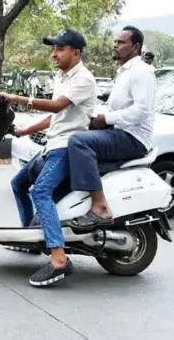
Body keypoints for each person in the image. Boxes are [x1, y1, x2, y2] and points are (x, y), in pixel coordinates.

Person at [0, 29, 97, 287]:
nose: (54, 54)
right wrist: (23, 131)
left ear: (76, 53)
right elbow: (55, 117)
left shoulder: (83, 79)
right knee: (18, 184)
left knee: (41, 192)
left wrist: (17, 98)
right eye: (54, 48)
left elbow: (56, 107)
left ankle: (58, 258)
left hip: (67, 147)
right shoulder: (62, 77)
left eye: (60, 49)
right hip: (52, 145)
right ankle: (30, 239)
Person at [66, 26, 156, 229]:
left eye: (122, 42)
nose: (116, 46)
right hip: (119, 132)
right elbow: (116, 106)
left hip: (133, 137)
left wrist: (106, 119)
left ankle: (100, 206)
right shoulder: (125, 72)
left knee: (78, 142)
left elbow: (141, 111)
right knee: (72, 135)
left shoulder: (141, 72)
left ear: (136, 47)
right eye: (116, 42)